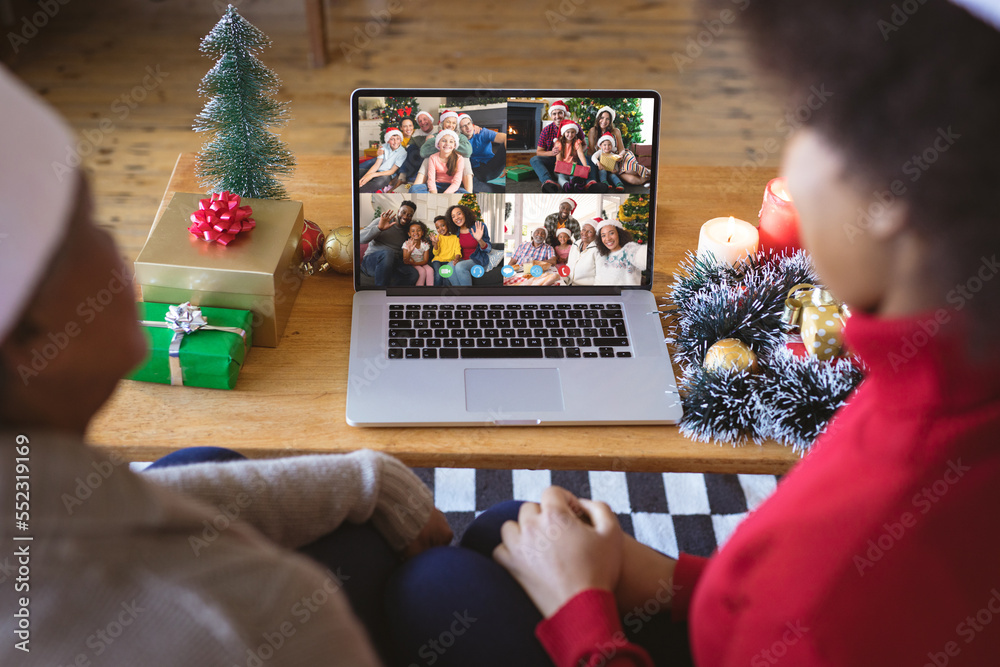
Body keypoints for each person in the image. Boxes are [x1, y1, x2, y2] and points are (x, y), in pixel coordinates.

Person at [387, 1, 1000, 666]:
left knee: (430, 586)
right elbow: (770, 600)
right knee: (502, 526)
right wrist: (663, 578)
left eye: (810, 124)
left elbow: (800, 609)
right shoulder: (951, 382)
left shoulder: (840, 572)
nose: (789, 168)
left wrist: (582, 610)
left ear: (893, 198)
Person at [0, 65, 452, 666]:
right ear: (27, 338)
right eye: (87, 229)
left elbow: (110, 506)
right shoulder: (253, 622)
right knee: (449, 579)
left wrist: (366, 477)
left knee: (198, 461)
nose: (119, 248)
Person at [359, 200, 420, 286]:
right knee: (388, 253)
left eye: (409, 215)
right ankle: (381, 293)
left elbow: (402, 254)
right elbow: (360, 239)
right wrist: (379, 228)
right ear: (398, 211)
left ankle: (394, 293)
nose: (405, 217)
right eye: (403, 212)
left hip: (391, 264)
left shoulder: (407, 232)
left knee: (413, 274)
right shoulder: (381, 222)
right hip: (371, 262)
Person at [446, 203, 496, 286]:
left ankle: (467, 295)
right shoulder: (455, 231)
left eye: (459, 214)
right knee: (449, 267)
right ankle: (461, 295)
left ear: (465, 214)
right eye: (453, 216)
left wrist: (479, 239)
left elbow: (488, 249)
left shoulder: (479, 226)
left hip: (478, 259)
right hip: (462, 259)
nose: (456, 218)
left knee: (460, 266)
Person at [390, 109, 437, 190]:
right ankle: (402, 176)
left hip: (432, 157)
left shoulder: (438, 130)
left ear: (430, 119)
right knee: (412, 149)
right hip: (417, 158)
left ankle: (402, 177)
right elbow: (409, 148)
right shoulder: (416, 133)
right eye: (420, 121)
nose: (423, 122)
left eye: (425, 119)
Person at [458, 113, 507, 191]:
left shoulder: (483, 132)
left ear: (472, 124)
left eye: (469, 123)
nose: (468, 127)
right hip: (476, 172)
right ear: (459, 129)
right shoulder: (458, 140)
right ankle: (500, 189)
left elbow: (505, 137)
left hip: (492, 166)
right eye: (463, 126)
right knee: (468, 186)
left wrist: (507, 164)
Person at [410, 130, 469, 194]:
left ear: (454, 146)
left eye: (451, 142)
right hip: (436, 185)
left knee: (466, 195)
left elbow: (456, 182)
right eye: (444, 141)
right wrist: (434, 194)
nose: (447, 144)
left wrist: (445, 195)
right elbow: (431, 180)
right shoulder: (433, 157)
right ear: (438, 144)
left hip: (452, 187)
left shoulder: (459, 158)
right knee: (414, 189)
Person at [594, 219, 646, 286]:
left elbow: (643, 256)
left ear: (619, 233)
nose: (608, 238)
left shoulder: (629, 249)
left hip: (629, 296)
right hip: (606, 296)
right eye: (603, 235)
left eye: (611, 233)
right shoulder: (604, 257)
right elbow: (598, 281)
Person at [358, 127, 407, 193]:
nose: (395, 142)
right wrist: (365, 177)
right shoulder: (383, 147)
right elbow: (377, 165)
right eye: (392, 139)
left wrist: (372, 175)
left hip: (387, 175)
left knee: (379, 182)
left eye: (398, 139)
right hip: (377, 171)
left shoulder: (402, 153)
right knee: (359, 172)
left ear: (400, 139)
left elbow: (391, 171)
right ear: (388, 140)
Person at [552, 119, 591, 193]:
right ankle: (566, 186)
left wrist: (585, 165)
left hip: (572, 167)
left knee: (573, 177)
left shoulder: (577, 142)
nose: (570, 135)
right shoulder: (558, 142)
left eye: (572, 132)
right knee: (561, 177)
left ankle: (576, 186)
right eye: (568, 132)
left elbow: (580, 154)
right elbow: (558, 160)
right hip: (561, 168)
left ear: (575, 133)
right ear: (564, 133)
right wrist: (563, 168)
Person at [565, 217, 599, 286]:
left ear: (596, 234)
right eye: (583, 230)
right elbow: (568, 265)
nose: (585, 233)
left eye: (589, 231)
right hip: (569, 285)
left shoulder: (598, 250)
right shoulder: (575, 244)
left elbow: (600, 276)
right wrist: (564, 280)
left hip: (585, 290)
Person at [429, 215, 462, 286]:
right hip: (438, 260)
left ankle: (446, 295)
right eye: (437, 228)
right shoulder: (436, 238)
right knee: (438, 275)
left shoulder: (455, 238)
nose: (440, 229)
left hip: (449, 261)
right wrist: (435, 244)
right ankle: (435, 294)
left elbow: (457, 250)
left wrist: (456, 258)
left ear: (447, 225)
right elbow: (435, 253)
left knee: (447, 278)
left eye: (442, 225)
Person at [402, 220, 434, 286]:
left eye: (418, 230)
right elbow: (405, 260)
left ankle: (430, 290)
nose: (416, 232)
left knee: (430, 270)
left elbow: (425, 261)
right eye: (413, 231)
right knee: (422, 271)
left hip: (420, 263)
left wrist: (415, 263)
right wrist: (409, 252)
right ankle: (419, 290)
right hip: (411, 263)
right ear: (409, 234)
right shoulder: (406, 244)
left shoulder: (425, 245)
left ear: (422, 233)